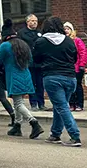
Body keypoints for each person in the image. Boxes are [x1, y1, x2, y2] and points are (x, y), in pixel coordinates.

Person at [0, 20, 44, 139]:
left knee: (18, 104)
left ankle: (34, 123)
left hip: (13, 77)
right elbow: (30, 60)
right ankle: (17, 125)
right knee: (18, 102)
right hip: (26, 75)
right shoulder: (23, 44)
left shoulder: (5, 45)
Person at [34, 17, 81, 147]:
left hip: (52, 77)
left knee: (62, 107)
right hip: (71, 78)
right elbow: (74, 57)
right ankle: (55, 134)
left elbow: (36, 59)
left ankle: (75, 136)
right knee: (60, 106)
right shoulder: (69, 41)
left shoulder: (41, 42)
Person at [17, 14, 44, 111]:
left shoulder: (39, 33)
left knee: (40, 83)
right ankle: (33, 103)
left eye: (36, 21)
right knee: (31, 83)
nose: (34, 23)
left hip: (39, 62)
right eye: (32, 21)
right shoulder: (22, 33)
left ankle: (41, 103)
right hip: (28, 61)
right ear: (27, 22)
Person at [66, 27, 87, 112]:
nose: (66, 30)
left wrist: (82, 64)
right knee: (69, 86)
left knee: (77, 85)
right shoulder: (64, 41)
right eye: (64, 29)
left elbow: (83, 52)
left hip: (77, 67)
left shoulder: (77, 40)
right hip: (68, 67)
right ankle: (71, 104)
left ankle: (79, 104)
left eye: (68, 29)